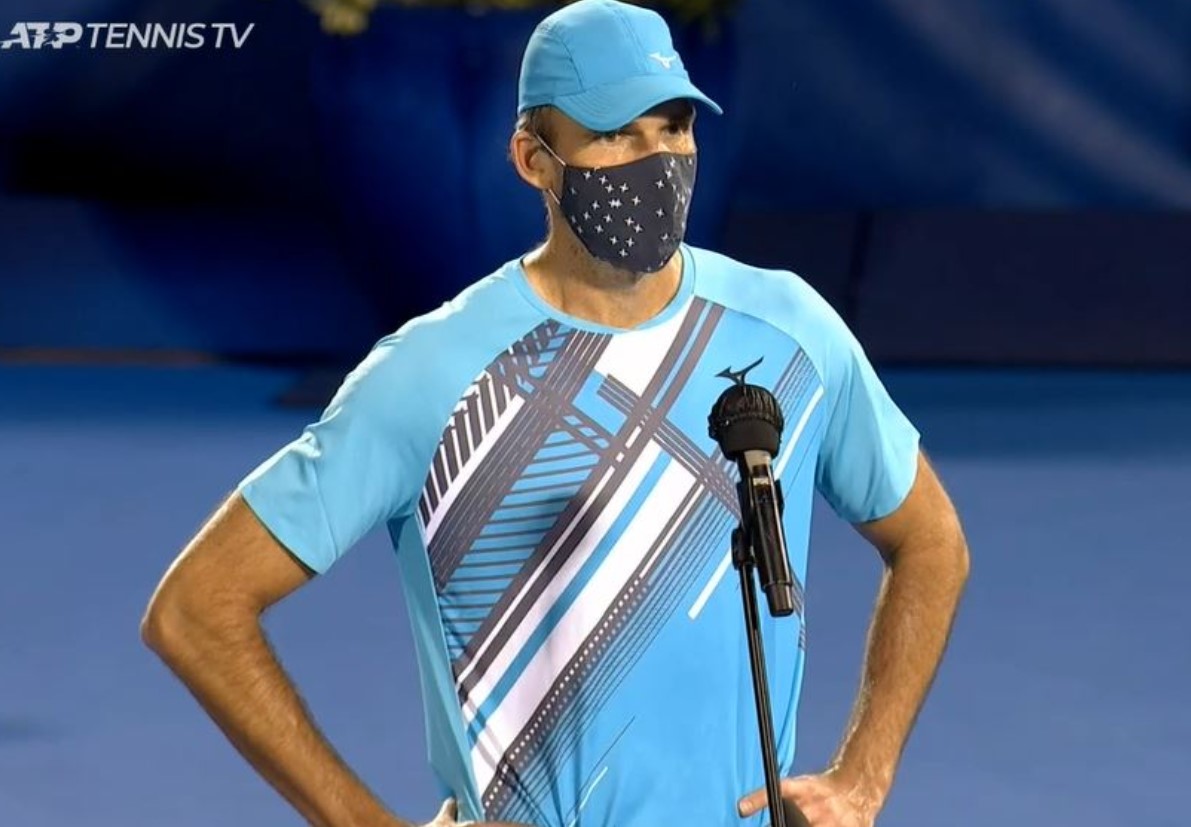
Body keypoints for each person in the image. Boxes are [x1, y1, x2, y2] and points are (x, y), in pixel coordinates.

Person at [140, 1, 970, 825]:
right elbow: (197, 608)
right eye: (616, 135)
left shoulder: (788, 328)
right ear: (533, 160)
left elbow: (929, 539)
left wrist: (863, 775)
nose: (656, 160)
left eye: (674, 127)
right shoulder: (433, 372)